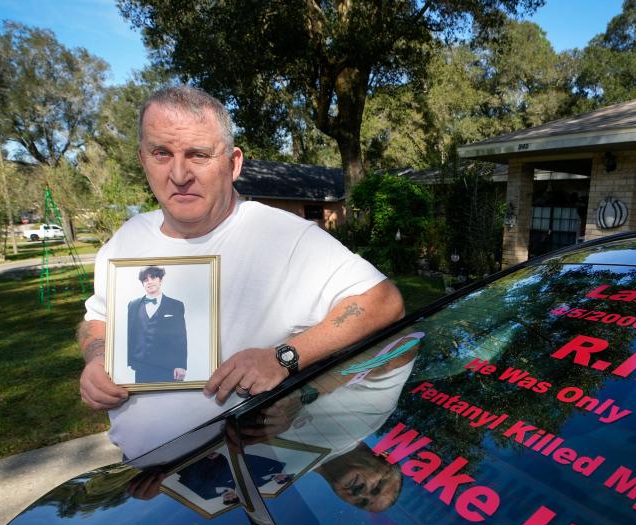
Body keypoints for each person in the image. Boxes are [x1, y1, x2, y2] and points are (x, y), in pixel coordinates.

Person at [78, 85, 404, 459]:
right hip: (144, 480)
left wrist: (283, 358)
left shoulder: (286, 237)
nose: (179, 173)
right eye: (161, 154)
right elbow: (97, 318)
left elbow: (384, 301)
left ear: (233, 163)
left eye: (198, 155)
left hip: (245, 483)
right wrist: (96, 358)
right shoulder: (126, 238)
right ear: (142, 159)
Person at [126, 266, 187, 383]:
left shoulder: (176, 305)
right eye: (145, 280)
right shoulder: (133, 305)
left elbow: (181, 337)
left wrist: (180, 365)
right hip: (141, 366)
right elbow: (130, 333)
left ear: (161, 280)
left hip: (168, 367)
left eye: (153, 278)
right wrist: (130, 360)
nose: (149, 282)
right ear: (142, 283)